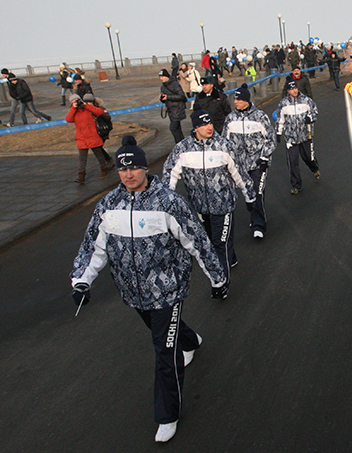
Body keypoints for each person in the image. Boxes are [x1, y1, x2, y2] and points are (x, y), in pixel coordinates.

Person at [70, 136, 227, 443]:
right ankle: (190, 339)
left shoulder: (168, 202)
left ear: (144, 168)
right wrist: (81, 280)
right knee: (164, 334)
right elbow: (93, 247)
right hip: (134, 293)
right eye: (123, 169)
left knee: (163, 352)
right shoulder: (109, 206)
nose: (129, 174)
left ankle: (167, 414)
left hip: (168, 289)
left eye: (134, 168)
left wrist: (218, 279)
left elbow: (197, 242)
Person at [162, 106, 256, 284]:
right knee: (212, 242)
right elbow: (170, 174)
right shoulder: (182, 149)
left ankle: (221, 283)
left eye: (210, 123)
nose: (209, 127)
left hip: (224, 205)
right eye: (204, 125)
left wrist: (249, 195)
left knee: (220, 245)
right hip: (200, 206)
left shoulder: (225, 146)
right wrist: (165, 203)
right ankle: (231, 257)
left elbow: (239, 174)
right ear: (196, 127)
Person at [222, 83, 276, 239]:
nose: (236, 102)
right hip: (239, 165)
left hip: (258, 163)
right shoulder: (231, 118)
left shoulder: (260, 117)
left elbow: (271, 139)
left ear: (246, 100)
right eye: (235, 100)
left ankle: (258, 225)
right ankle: (255, 215)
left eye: (238, 99)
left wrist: (264, 157)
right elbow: (224, 142)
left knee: (257, 192)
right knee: (248, 194)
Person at [276, 79, 320, 194]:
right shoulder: (283, 103)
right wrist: (278, 133)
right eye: (291, 89)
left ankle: (314, 168)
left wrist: (310, 118)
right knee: (292, 162)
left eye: (295, 88)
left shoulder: (306, 100)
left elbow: (315, 111)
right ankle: (296, 185)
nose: (294, 91)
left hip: (305, 135)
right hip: (291, 138)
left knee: (308, 157)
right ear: (288, 91)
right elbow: (280, 119)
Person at [66, 93, 110, 183]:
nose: (77, 103)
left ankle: (104, 170)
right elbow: (68, 119)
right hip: (82, 138)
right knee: (82, 158)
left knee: (99, 155)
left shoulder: (88, 109)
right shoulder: (74, 111)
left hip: (93, 136)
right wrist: (73, 108)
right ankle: (81, 176)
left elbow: (99, 112)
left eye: (77, 101)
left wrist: (86, 106)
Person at [83, 93, 115, 166]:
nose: (88, 104)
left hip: (101, 131)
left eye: (89, 102)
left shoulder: (100, 108)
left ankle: (107, 161)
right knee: (97, 148)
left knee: (98, 148)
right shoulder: (85, 109)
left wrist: (98, 112)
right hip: (92, 131)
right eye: (86, 102)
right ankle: (107, 161)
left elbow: (108, 117)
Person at [158, 68, 187, 143]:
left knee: (173, 128)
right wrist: (162, 98)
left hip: (177, 109)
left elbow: (181, 96)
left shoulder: (175, 84)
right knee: (177, 129)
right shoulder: (163, 86)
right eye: (160, 77)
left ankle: (179, 144)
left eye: (162, 77)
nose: (161, 79)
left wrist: (168, 97)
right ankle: (182, 144)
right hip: (170, 110)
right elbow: (165, 99)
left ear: (167, 76)